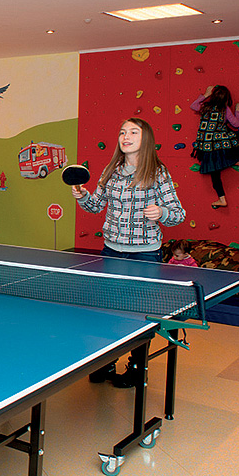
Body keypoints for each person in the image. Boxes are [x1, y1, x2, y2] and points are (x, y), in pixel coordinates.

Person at [72, 118, 186, 387]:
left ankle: (136, 368)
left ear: (146, 139)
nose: (126, 136)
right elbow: (95, 206)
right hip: (111, 251)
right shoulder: (111, 170)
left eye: (134, 132)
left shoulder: (158, 172)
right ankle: (107, 361)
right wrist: (82, 196)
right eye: (123, 132)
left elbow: (178, 214)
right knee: (108, 311)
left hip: (144, 255)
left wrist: (162, 212)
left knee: (139, 316)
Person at [191, 84, 239, 209]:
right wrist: (237, 110)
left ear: (213, 96)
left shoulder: (206, 107)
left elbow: (193, 105)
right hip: (219, 147)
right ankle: (235, 159)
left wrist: (206, 95)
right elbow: (236, 124)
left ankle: (222, 198)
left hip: (206, 149)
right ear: (227, 99)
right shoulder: (225, 109)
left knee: (215, 175)